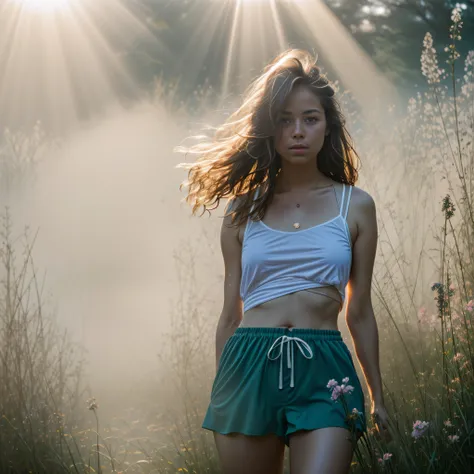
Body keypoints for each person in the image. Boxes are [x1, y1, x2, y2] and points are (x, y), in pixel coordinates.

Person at [176, 49, 391, 474]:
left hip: (325, 370)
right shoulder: (242, 210)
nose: (298, 131)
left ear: (328, 126)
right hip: (248, 367)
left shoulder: (357, 206)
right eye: (285, 120)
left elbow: (360, 311)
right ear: (269, 129)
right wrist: (226, 388)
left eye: (310, 119)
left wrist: (377, 396)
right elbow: (229, 315)